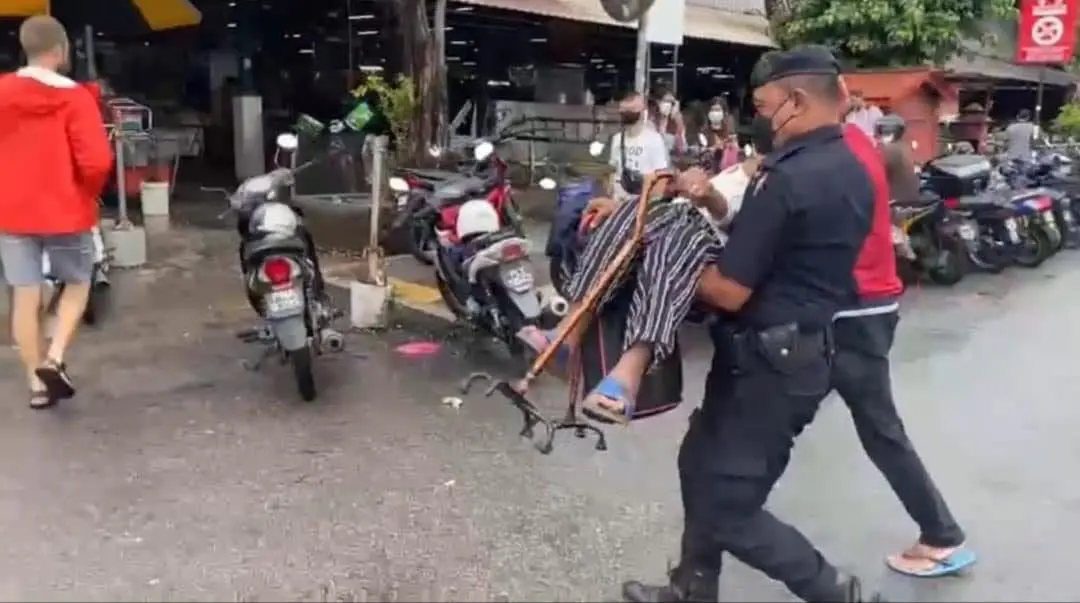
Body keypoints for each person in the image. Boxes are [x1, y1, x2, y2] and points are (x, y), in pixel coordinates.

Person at [621, 46, 886, 602]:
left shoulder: (788, 178)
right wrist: (713, 205)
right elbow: (773, 244)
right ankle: (693, 587)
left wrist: (654, 257)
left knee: (729, 507)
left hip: (768, 369)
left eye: (764, 108)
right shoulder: (850, 168)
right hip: (788, 356)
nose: (759, 119)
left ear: (796, 101)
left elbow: (728, 288)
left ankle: (836, 592)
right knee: (699, 463)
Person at [838, 117, 975, 578]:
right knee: (881, 430)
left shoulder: (835, 155)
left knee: (756, 435)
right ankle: (941, 533)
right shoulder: (858, 146)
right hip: (871, 305)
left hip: (850, 312)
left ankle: (941, 535)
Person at [0, 16, 113, 409]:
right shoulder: (76, 98)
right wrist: (87, 194)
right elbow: (96, 161)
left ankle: (36, 384)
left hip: (12, 213)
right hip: (66, 212)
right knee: (78, 282)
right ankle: (55, 357)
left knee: (24, 295)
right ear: (61, 50)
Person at [607, 91, 671, 202]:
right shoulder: (617, 139)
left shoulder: (654, 140)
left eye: (630, 111)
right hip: (620, 201)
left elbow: (662, 177)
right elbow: (613, 172)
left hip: (645, 200)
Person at [873, 114, 920, 204]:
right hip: (907, 200)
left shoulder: (890, 149)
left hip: (896, 203)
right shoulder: (903, 146)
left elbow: (872, 172)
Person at [702, 97, 741, 172]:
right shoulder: (704, 131)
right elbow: (702, 154)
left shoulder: (729, 129)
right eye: (712, 110)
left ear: (724, 113)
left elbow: (736, 150)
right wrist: (713, 149)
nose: (715, 113)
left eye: (717, 110)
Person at [651, 87, 688, 154]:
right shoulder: (653, 118)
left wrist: (677, 118)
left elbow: (682, 147)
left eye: (671, 102)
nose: (668, 105)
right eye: (666, 101)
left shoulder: (676, 120)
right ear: (658, 102)